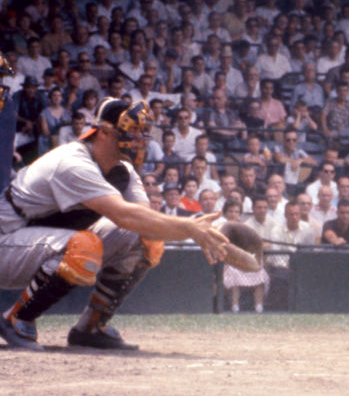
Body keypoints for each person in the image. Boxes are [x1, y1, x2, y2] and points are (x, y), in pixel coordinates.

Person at [0, 98, 228, 351]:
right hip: (6, 240)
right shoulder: (73, 162)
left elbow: (145, 221)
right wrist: (191, 227)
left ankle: (91, 327)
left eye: (143, 132)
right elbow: (124, 215)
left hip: (35, 246)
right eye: (133, 131)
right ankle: (16, 318)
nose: (141, 139)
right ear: (105, 132)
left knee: (146, 239)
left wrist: (197, 230)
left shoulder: (124, 170)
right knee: (83, 244)